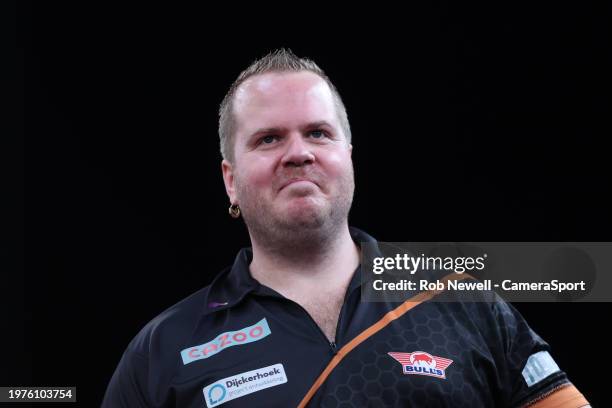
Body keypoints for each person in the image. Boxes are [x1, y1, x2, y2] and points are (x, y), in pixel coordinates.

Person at [102, 49, 590, 407]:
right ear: (230, 180)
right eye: (269, 138)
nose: (298, 153)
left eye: (318, 133)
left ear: (348, 159)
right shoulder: (162, 350)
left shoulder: (459, 298)